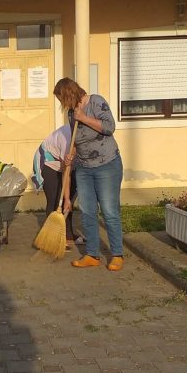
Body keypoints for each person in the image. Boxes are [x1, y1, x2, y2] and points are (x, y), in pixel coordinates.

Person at [53, 77, 124, 271]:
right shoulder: (71, 113)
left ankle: (117, 254)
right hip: (84, 168)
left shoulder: (96, 102)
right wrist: (70, 156)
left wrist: (84, 118)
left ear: (69, 93)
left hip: (107, 165)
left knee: (109, 211)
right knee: (87, 211)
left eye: (62, 98)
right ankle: (92, 254)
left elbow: (109, 127)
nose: (62, 104)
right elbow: (77, 140)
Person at [32, 123, 81, 247]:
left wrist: (68, 199)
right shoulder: (68, 140)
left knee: (68, 203)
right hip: (49, 162)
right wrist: (66, 198)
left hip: (66, 164)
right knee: (54, 200)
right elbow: (66, 170)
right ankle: (52, 238)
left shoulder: (84, 135)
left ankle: (68, 235)